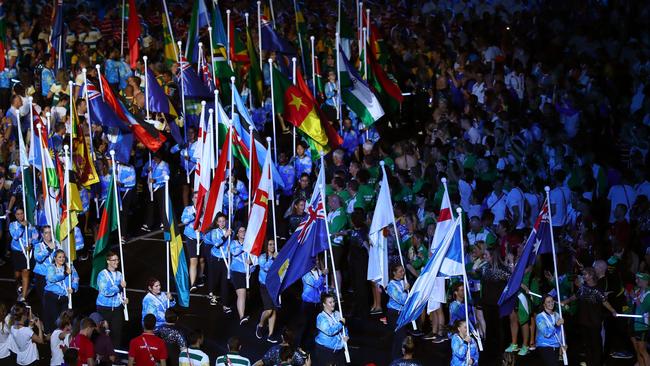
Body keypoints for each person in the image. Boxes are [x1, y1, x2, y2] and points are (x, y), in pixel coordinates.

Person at [96, 250, 128, 347]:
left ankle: (115, 356)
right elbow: (105, 291)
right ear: (108, 261)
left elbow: (121, 293)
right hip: (104, 308)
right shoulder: (102, 274)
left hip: (117, 308)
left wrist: (124, 299)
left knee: (117, 333)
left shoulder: (119, 274)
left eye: (117, 260)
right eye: (113, 260)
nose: (116, 262)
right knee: (104, 333)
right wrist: (119, 287)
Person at [43, 250, 79, 333]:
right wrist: (65, 274)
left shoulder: (69, 266)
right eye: (59, 257)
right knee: (54, 319)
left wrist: (73, 288)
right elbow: (51, 278)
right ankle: (53, 336)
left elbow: (76, 278)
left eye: (63, 257)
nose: (62, 259)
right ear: (55, 258)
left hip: (65, 297)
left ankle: (64, 336)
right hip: (52, 297)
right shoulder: (51, 267)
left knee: (65, 319)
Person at [205, 213, 232, 314]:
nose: (222, 223)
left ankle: (225, 305)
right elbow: (216, 244)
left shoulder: (230, 231)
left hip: (226, 260)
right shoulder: (214, 232)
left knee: (225, 283)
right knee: (215, 280)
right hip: (216, 259)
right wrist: (225, 236)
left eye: (223, 221)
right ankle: (212, 294)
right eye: (220, 221)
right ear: (217, 222)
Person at [9, 207, 38, 302]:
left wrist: (31, 245)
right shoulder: (13, 225)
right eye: (18, 214)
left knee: (26, 272)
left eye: (22, 213)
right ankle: (18, 283)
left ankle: (23, 297)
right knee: (17, 274)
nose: (20, 215)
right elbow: (15, 236)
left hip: (27, 253)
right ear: (15, 215)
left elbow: (36, 238)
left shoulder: (30, 225)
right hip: (17, 252)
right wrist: (22, 226)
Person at [298, 259, 328, 348]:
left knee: (313, 325)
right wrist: (323, 275)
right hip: (308, 304)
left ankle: (310, 345)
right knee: (305, 325)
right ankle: (301, 345)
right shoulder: (305, 273)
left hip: (316, 304)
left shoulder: (319, 272)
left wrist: (324, 289)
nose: (316, 262)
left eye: (317, 260)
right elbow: (315, 284)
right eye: (314, 261)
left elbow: (321, 286)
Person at [313, 293, 348, 366]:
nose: (333, 304)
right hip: (325, 350)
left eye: (333, 301)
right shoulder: (321, 317)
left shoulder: (337, 313)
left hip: (339, 347)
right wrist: (341, 323)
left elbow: (344, 328)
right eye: (330, 302)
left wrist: (346, 335)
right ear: (324, 304)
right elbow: (329, 331)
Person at [230, 226, 253, 324]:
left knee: (246, 295)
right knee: (241, 293)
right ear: (237, 234)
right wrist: (245, 246)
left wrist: (251, 262)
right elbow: (234, 252)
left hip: (248, 273)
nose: (243, 232)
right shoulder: (234, 243)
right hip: (237, 272)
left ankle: (242, 314)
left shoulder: (251, 244)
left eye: (245, 231)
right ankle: (242, 317)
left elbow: (255, 257)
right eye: (241, 231)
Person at [257, 239, 278, 342]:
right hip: (265, 285)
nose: (272, 246)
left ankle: (270, 334)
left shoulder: (277, 256)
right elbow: (266, 268)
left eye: (273, 244)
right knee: (269, 310)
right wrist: (274, 259)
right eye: (270, 244)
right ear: (266, 246)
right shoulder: (262, 257)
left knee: (274, 311)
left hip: (274, 286)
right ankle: (260, 325)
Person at [387, 264, 409, 359]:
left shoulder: (403, 282)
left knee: (401, 338)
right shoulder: (391, 285)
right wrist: (405, 289)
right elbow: (401, 300)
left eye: (403, 271)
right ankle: (396, 359)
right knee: (399, 338)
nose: (403, 273)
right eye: (400, 271)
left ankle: (399, 358)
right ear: (394, 273)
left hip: (402, 313)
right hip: (394, 314)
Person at [535, 295, 565, 366]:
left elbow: (561, 331)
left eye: (552, 301)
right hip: (545, 346)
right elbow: (546, 333)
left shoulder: (557, 314)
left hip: (556, 346)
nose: (551, 303)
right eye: (548, 302)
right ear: (544, 304)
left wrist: (564, 344)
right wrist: (556, 325)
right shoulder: (540, 317)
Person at [629, 272, 650, 366]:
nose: (636, 281)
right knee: (637, 349)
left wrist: (634, 298)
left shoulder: (649, 293)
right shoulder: (636, 290)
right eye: (636, 278)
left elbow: (643, 309)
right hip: (633, 323)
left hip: (642, 325)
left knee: (642, 350)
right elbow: (630, 306)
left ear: (646, 281)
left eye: (639, 279)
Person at [33, 225, 59, 300]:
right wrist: (48, 249)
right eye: (46, 232)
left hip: (54, 275)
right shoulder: (38, 246)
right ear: (42, 234)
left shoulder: (57, 244)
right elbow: (38, 258)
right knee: (44, 299)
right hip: (42, 276)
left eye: (50, 232)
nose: (49, 234)